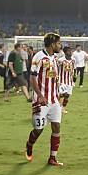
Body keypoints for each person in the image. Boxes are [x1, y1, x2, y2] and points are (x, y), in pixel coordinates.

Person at [24, 33, 64, 166]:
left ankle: (52, 158)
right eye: (58, 43)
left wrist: (57, 93)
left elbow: (53, 78)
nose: (60, 45)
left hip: (54, 101)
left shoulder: (55, 57)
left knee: (56, 127)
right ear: (52, 44)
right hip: (41, 101)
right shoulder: (39, 57)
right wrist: (40, 95)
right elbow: (33, 77)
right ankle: (29, 144)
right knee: (39, 129)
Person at [58, 46, 75, 113]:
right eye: (69, 51)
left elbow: (73, 69)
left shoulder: (73, 60)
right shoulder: (61, 60)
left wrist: (74, 80)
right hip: (61, 81)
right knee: (65, 94)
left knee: (67, 97)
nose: (70, 52)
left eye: (71, 51)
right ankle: (57, 103)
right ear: (65, 52)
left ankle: (63, 108)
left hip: (69, 81)